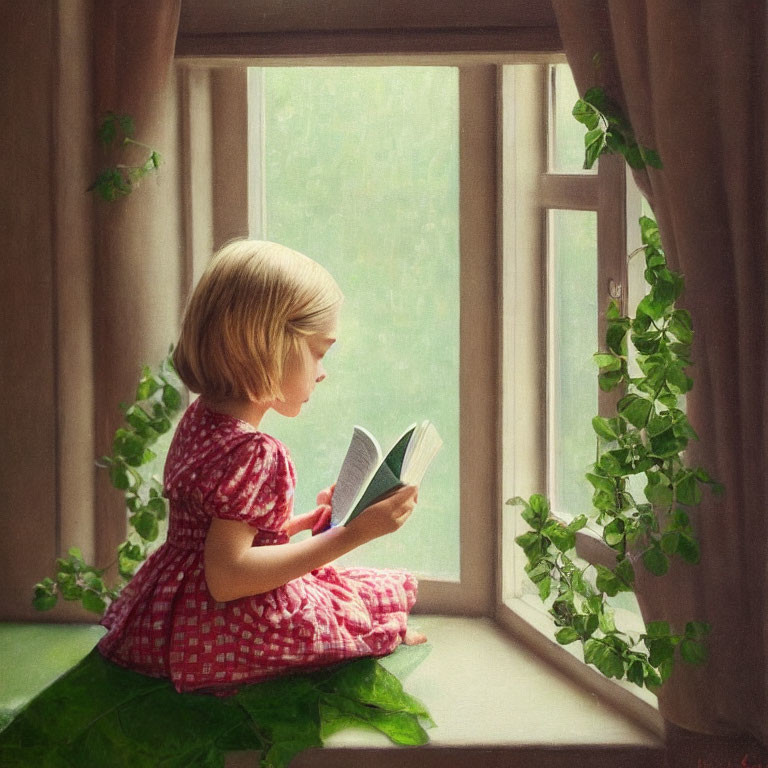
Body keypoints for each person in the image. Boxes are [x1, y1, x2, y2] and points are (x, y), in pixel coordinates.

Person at [98, 239, 426, 694]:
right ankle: (381, 636)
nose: (322, 371)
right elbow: (228, 577)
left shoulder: (202, 418)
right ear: (270, 345)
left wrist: (294, 527)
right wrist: (353, 534)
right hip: (221, 624)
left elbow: (214, 533)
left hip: (174, 608)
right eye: (319, 352)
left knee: (353, 590)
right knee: (352, 613)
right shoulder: (256, 451)